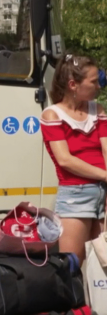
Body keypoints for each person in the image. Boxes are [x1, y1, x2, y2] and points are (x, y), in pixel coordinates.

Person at [41, 53, 107, 265]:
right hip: (75, 196)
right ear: (73, 85)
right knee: (72, 266)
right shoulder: (52, 115)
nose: (99, 87)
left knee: (103, 264)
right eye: (94, 82)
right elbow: (65, 160)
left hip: (103, 191)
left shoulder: (97, 110)